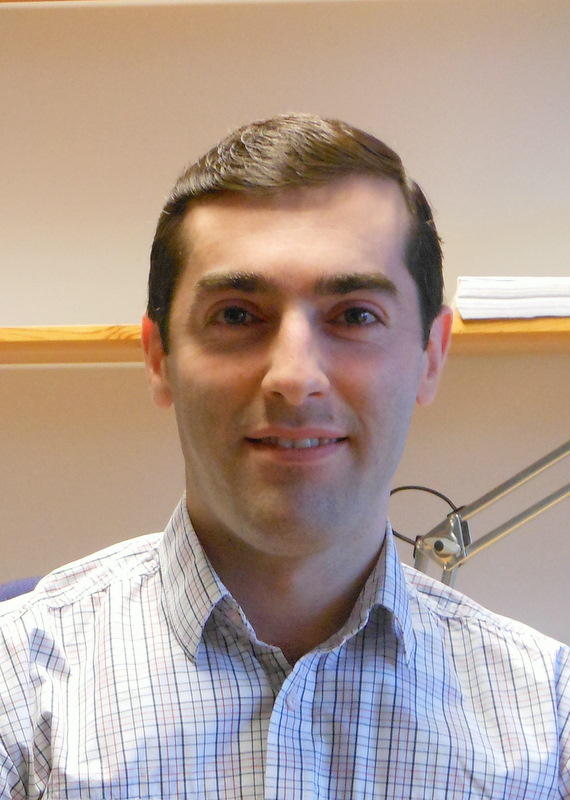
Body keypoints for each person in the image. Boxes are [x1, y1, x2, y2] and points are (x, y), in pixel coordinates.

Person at [0, 114, 568, 800]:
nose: (295, 377)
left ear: (431, 355)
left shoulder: (549, 722)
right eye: (237, 315)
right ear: (158, 358)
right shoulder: (16, 687)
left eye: (355, 315)